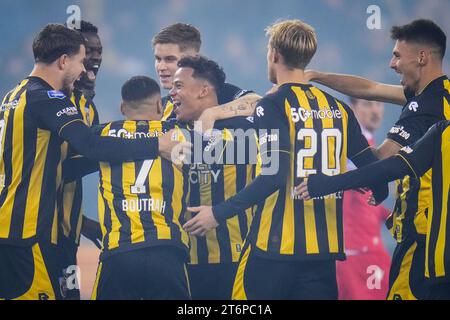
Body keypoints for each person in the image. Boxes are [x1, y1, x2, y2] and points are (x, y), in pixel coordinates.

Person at [183, 19, 387, 300]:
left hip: (273, 250)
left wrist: (218, 213)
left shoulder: (273, 105)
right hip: (322, 253)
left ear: (274, 55)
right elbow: (374, 172)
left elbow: (273, 175)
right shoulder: (338, 107)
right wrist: (379, 190)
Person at [0, 24, 182, 300]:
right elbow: (90, 145)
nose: (84, 70)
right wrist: (156, 144)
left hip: (14, 226)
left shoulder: (13, 96)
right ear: (63, 61)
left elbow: (64, 165)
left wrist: (82, 221)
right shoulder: (47, 98)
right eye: (80, 62)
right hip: (29, 233)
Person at [305, 19, 449, 299]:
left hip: (422, 237)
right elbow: (369, 88)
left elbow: (381, 162)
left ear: (421, 57)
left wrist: (329, 129)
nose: (392, 64)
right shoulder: (439, 95)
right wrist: (315, 76)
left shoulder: (424, 108)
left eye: (397, 55)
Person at [295, 120, 450, 300]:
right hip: (367, 249)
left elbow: (393, 166)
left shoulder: (443, 131)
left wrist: (327, 184)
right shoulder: (441, 130)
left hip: (431, 259)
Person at [90, 76, 191, 300]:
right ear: (159, 105)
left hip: (119, 251)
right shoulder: (179, 135)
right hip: (167, 250)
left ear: (122, 108)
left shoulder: (101, 136)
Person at [170, 56, 256, 299]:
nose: (172, 93)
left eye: (179, 86)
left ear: (204, 90)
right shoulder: (170, 130)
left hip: (238, 259)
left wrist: (219, 213)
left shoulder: (247, 131)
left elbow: (270, 181)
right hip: (184, 259)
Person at [58, 20, 103, 300]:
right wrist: (135, 146)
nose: (96, 56)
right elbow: (51, 168)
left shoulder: (87, 106)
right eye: (89, 49)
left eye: (100, 50)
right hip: (33, 237)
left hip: (66, 236)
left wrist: (80, 220)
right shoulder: (51, 103)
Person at [151, 23, 260, 123]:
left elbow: (258, 103)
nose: (161, 67)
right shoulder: (160, 107)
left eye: (170, 59)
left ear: (194, 58)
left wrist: (212, 113)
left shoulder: (216, 91)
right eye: (158, 59)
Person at [337, 98, 391, 300]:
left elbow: (367, 199)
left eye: (379, 104)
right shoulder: (354, 148)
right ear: (353, 108)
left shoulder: (370, 144)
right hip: (357, 252)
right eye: (368, 104)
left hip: (366, 248)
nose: (375, 110)